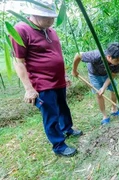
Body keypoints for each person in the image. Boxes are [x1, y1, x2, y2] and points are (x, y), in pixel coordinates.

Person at [11, 0, 82, 157]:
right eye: (48, 17)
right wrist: (29, 88)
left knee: (63, 107)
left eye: (53, 17)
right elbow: (19, 62)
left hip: (58, 81)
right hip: (42, 84)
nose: (52, 20)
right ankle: (59, 145)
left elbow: (57, 55)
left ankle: (67, 129)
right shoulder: (21, 29)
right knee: (51, 114)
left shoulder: (51, 31)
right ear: (36, 14)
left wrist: (63, 74)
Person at [72, 43, 119, 125]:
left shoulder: (118, 62)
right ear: (109, 57)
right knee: (99, 94)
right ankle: (104, 116)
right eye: (117, 60)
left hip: (108, 74)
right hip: (94, 75)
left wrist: (104, 87)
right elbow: (78, 55)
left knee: (114, 89)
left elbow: (113, 75)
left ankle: (114, 109)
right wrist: (74, 70)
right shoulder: (96, 56)